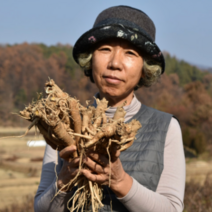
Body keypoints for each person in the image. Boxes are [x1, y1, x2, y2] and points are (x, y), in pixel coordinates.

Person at [34, 5, 185, 212]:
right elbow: (41, 208)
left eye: (130, 53)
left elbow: (172, 209)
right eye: (105, 49)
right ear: (90, 59)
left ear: (145, 68)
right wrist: (63, 181)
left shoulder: (166, 127)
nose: (115, 63)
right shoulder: (63, 123)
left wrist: (120, 181)